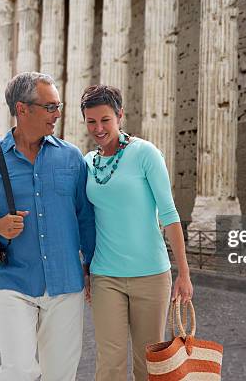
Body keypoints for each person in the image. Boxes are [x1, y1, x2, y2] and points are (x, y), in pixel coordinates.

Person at [0, 72, 95, 381]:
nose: (58, 114)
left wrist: (92, 267)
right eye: (50, 107)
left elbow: (85, 218)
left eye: (58, 106)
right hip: (12, 281)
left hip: (65, 282)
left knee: (60, 373)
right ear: (23, 109)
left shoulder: (72, 157)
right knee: (18, 370)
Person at [80, 85, 193, 381]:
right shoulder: (87, 164)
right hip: (105, 276)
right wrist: (86, 265)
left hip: (151, 276)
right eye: (91, 121)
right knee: (109, 363)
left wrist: (183, 273)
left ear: (119, 115)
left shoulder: (146, 153)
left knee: (148, 364)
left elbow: (169, 214)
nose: (99, 128)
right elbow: (85, 219)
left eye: (105, 119)